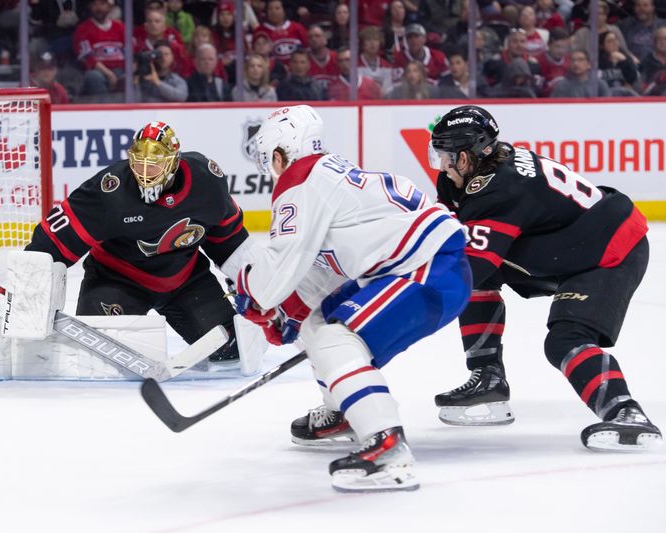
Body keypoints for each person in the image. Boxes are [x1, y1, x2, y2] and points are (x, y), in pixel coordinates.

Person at [235, 105, 470, 492]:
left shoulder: (301, 182)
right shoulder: (330, 175)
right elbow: (325, 264)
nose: (270, 172)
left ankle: (386, 445)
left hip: (426, 270)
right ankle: (343, 411)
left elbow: (272, 275)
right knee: (317, 320)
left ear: (279, 155)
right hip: (426, 266)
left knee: (333, 338)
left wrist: (252, 295)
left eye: (268, 162)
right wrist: (290, 312)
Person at [429, 105, 662, 451]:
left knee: (564, 340)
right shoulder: (471, 176)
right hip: (567, 243)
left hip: (610, 251)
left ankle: (625, 412)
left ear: (467, 157)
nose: (442, 166)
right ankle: (488, 379)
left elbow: (472, 266)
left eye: (446, 157)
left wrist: (400, 295)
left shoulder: (502, 190)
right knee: (474, 269)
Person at [25, 121, 247, 364]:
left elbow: (228, 239)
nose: (143, 171)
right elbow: (56, 239)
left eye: (153, 165)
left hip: (186, 281)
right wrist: (28, 285)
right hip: (118, 281)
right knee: (98, 358)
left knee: (232, 348)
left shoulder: (206, 180)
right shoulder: (111, 190)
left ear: (173, 161)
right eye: (138, 162)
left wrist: (253, 283)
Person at [73, 0, 125, 98]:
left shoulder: (120, 27)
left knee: (129, 79)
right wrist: (109, 74)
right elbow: (87, 57)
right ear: (90, 7)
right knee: (93, 77)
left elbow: (130, 51)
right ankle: (104, 110)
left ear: (109, 7)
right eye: (95, 4)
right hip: (98, 71)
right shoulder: (83, 29)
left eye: (102, 4)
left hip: (120, 69)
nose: (98, 8)